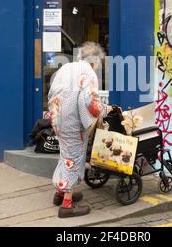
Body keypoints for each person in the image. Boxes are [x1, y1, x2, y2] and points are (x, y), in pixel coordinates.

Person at [48, 42, 113, 218]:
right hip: (72, 122)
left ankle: (61, 192)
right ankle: (67, 205)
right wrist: (105, 110)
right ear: (96, 61)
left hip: (57, 117)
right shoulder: (89, 73)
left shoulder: (67, 67)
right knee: (74, 157)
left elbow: (52, 90)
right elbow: (89, 103)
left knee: (65, 154)